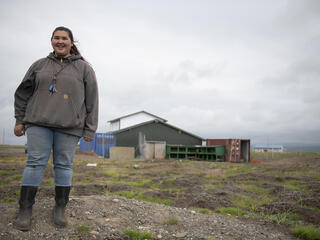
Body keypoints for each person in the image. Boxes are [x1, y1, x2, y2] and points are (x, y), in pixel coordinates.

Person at [13, 26, 99, 231]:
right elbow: (22, 93)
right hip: (38, 123)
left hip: (69, 127)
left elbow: (93, 100)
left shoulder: (84, 68)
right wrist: (20, 119)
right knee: (34, 162)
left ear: (71, 42)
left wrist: (90, 129)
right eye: (56, 38)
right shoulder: (39, 65)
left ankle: (60, 207)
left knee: (64, 165)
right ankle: (25, 209)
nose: (60, 41)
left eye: (64, 38)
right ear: (51, 40)